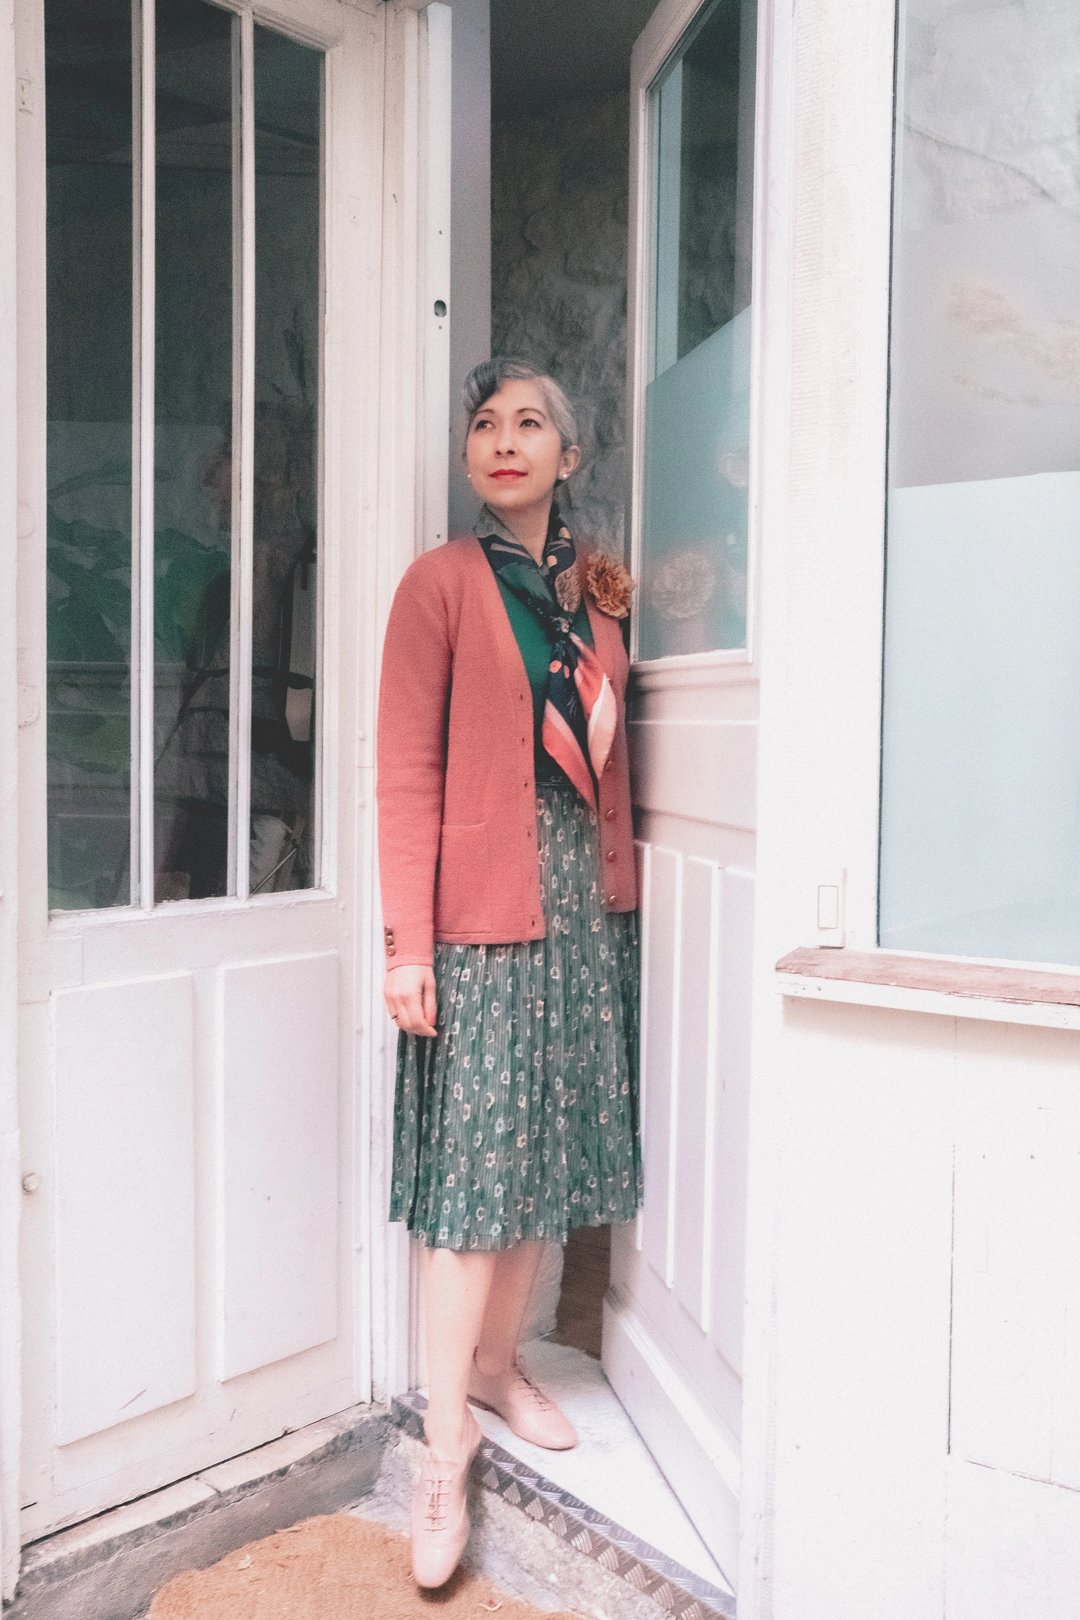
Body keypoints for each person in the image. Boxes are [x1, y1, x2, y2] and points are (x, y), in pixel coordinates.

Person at [376, 357, 643, 1589]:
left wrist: (619, 897)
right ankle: (444, 1456)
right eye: (484, 422)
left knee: (546, 1160)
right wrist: (408, 946)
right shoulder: (438, 584)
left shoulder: (596, 596)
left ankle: (494, 1369)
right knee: (473, 1192)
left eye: (529, 422)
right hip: (478, 914)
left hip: (580, 910)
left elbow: (605, 761)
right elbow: (407, 776)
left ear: (567, 456)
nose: (503, 439)